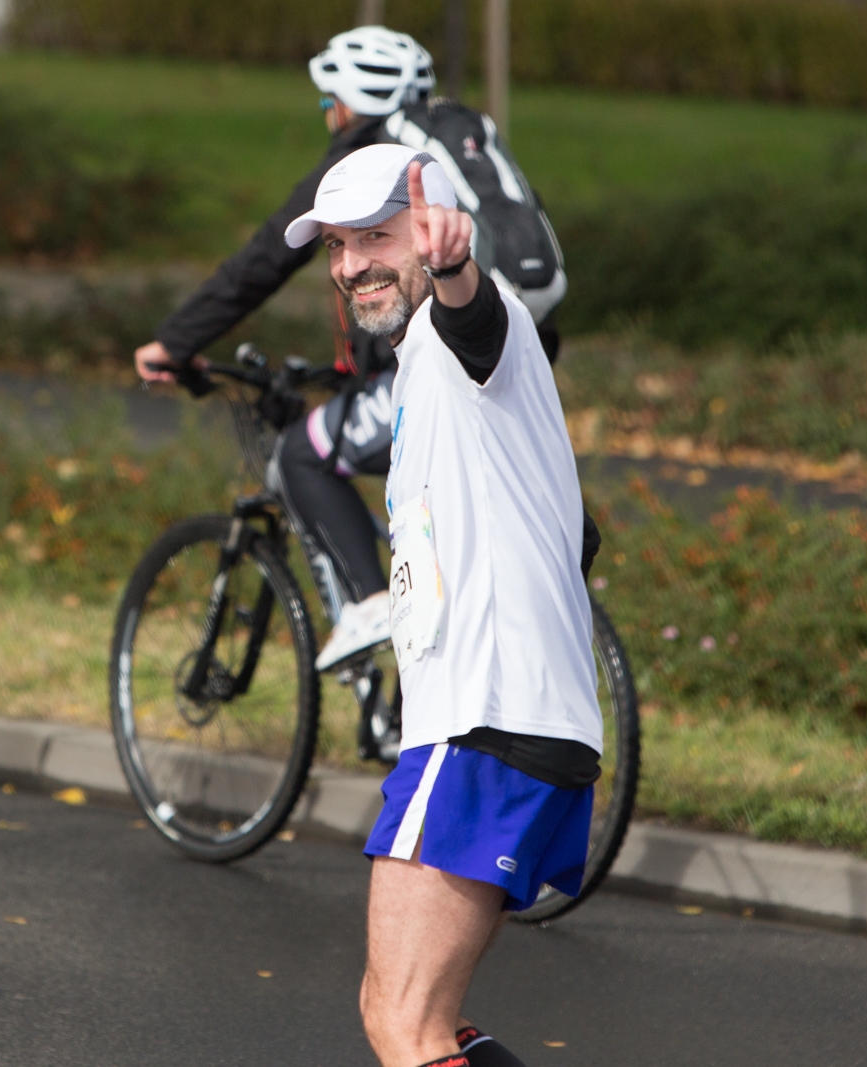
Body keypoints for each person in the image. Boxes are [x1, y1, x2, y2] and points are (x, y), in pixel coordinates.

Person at [133, 26, 589, 684]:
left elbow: (265, 257)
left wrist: (175, 341)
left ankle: (375, 607)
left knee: (302, 453)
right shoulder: (461, 145)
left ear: (349, 101)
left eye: (328, 103)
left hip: (460, 350)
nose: (329, 118)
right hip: (523, 350)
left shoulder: (371, 164)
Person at [284, 144, 602, 1067]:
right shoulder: (427, 374)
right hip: (508, 722)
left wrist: (459, 268)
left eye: (379, 236)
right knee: (419, 1016)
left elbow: (478, 319)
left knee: (403, 1022)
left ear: (434, 230)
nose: (352, 266)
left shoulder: (467, 337)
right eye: (338, 247)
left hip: (484, 722)